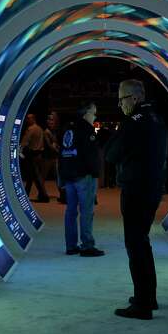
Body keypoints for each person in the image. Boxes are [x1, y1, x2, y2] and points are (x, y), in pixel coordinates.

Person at [105, 79, 168, 320]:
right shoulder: (158, 119)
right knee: (143, 242)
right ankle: (148, 296)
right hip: (153, 189)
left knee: (135, 245)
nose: (119, 104)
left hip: (135, 190)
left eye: (121, 99)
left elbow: (111, 154)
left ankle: (142, 304)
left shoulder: (132, 123)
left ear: (134, 98)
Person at [58, 101, 105, 257]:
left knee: (70, 211)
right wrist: (96, 173)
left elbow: (62, 152)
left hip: (69, 175)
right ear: (86, 114)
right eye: (93, 112)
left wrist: (62, 176)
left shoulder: (67, 128)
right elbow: (92, 155)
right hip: (84, 176)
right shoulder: (86, 129)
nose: (95, 116)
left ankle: (71, 246)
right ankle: (87, 245)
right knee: (86, 211)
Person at [20, 113, 50, 202]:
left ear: (33, 119)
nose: (27, 120)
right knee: (33, 176)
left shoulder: (30, 129)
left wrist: (19, 152)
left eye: (28, 118)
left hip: (32, 156)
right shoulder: (40, 128)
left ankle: (44, 196)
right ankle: (28, 194)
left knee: (35, 177)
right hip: (39, 155)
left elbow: (24, 142)